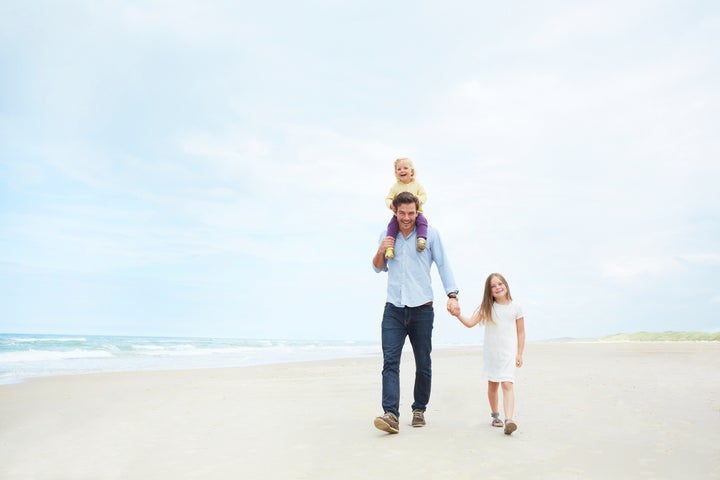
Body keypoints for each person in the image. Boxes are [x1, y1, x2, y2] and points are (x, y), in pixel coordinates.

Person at [372, 191, 460, 434]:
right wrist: (381, 249)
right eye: (402, 213)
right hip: (394, 309)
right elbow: (378, 267)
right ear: (395, 211)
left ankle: (419, 408)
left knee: (423, 363)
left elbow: (443, 265)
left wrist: (452, 295)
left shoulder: (430, 235)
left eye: (411, 213)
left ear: (417, 211)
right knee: (390, 362)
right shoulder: (387, 235)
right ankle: (391, 414)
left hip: (422, 308)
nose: (407, 218)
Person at [452, 273, 526, 435]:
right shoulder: (487, 308)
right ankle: (495, 416)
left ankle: (509, 420)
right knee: (493, 385)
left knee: (507, 383)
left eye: (500, 284)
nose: (498, 287)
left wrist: (519, 353)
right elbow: (471, 323)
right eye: (493, 286)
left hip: (509, 353)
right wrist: (457, 315)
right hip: (492, 353)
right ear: (489, 291)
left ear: (506, 285)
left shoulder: (516, 307)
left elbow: (521, 333)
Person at [383, 158, 429, 259]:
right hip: (398, 214)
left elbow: (424, 196)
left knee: (422, 221)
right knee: (392, 226)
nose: (402, 170)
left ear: (411, 171)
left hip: (416, 212)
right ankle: (389, 248)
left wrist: (419, 199)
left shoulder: (417, 185)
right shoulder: (395, 187)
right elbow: (388, 199)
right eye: (399, 169)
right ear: (396, 173)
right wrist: (391, 204)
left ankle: (421, 239)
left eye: (405, 168)